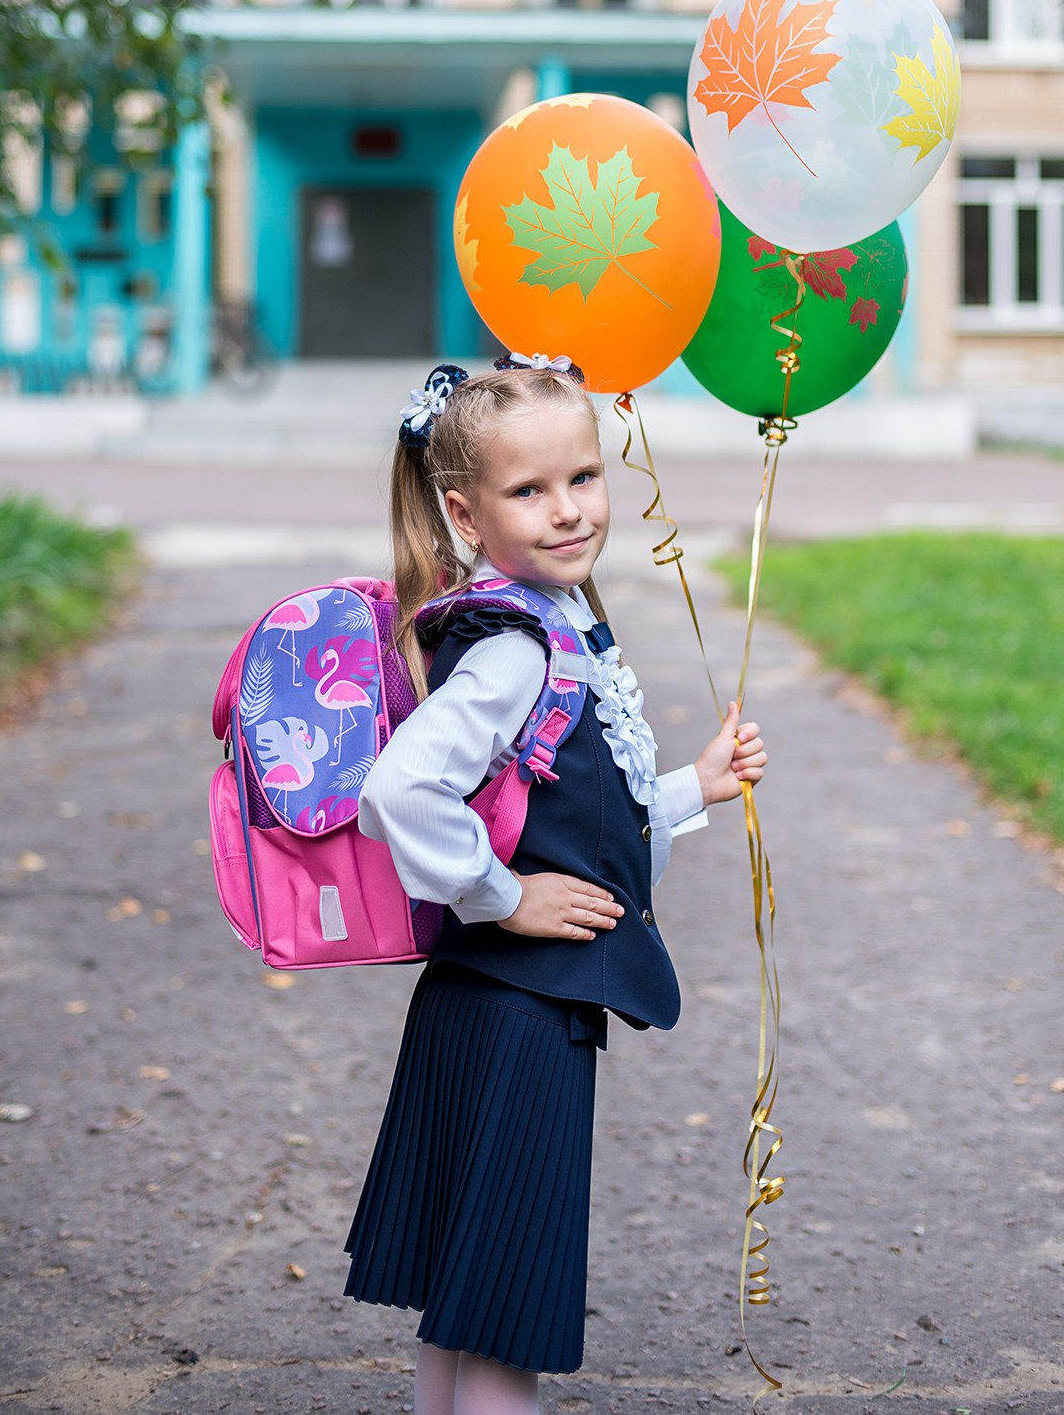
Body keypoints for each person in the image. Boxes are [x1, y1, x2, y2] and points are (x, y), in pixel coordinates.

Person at [344, 356, 767, 1415]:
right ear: (464, 510)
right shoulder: (517, 648)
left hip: (476, 1001)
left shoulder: (548, 619)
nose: (569, 509)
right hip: (519, 1012)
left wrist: (688, 787)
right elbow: (400, 786)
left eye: (583, 475)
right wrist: (503, 895)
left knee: (463, 1302)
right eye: (528, 490)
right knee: (502, 1320)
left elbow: (577, 816)